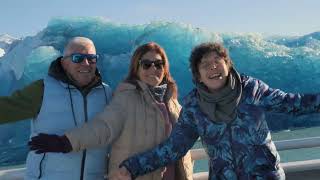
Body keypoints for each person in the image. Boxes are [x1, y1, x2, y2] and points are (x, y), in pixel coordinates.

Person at [111, 42, 320, 180]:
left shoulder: (252, 90)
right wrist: (133, 166)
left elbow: (294, 104)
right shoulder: (194, 106)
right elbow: (174, 147)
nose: (212, 67)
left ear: (227, 66)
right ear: (198, 76)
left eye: (216, 62)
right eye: (204, 65)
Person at [29, 42, 194, 180]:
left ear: (165, 68)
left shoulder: (171, 101)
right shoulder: (127, 97)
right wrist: (65, 142)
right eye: (146, 64)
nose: (153, 69)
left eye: (159, 64)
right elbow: (104, 127)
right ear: (136, 68)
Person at [0, 37, 112, 180]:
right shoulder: (43, 89)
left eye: (91, 58)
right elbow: (5, 108)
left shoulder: (106, 93)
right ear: (64, 63)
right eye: (78, 58)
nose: (86, 63)